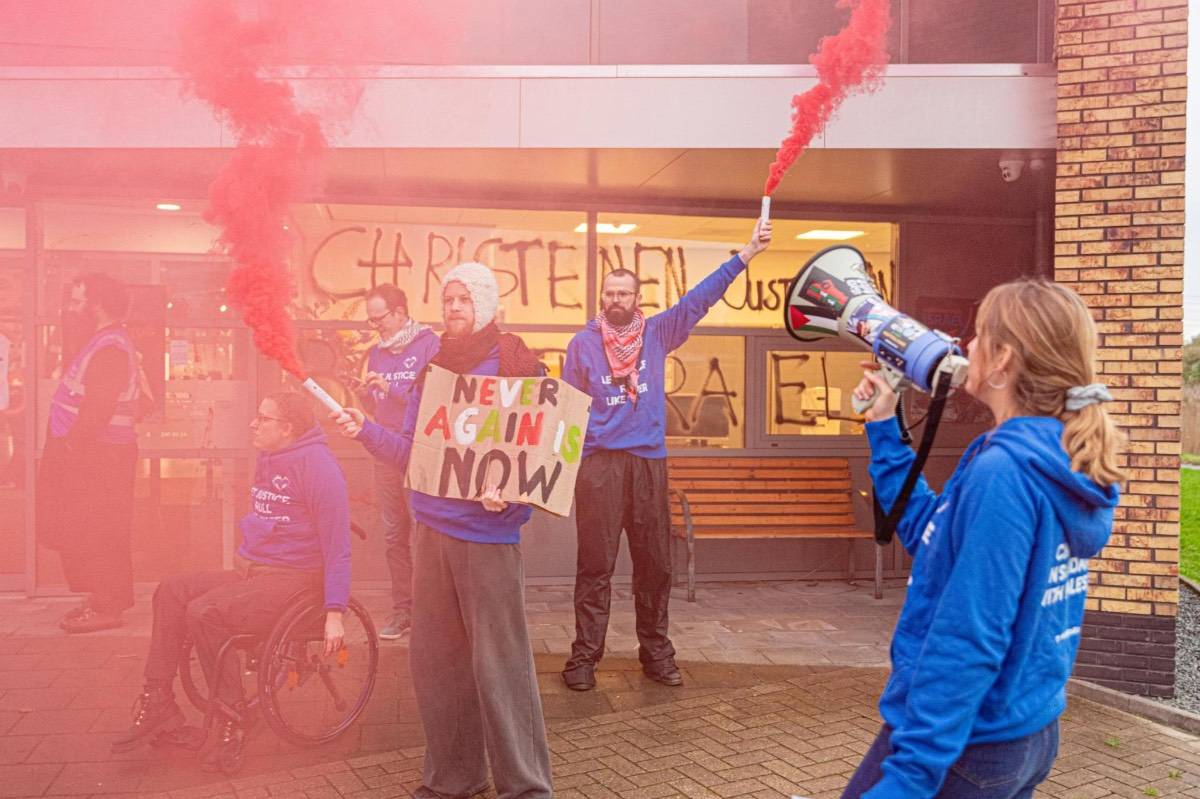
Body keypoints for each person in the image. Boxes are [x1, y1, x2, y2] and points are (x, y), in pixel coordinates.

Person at [840, 279, 1122, 799]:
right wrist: (884, 425)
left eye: (978, 335)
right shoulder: (1049, 455)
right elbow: (929, 537)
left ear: (1002, 361)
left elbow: (969, 637)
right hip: (1020, 732)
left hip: (965, 745)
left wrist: (909, 776)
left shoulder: (1006, 472)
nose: (964, 345)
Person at [337, 262, 552, 799]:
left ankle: (526, 787)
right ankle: (454, 779)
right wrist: (364, 430)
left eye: (463, 299)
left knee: (499, 668)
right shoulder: (433, 370)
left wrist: (515, 501)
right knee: (436, 665)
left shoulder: (517, 363)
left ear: (485, 302)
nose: (453, 308)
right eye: (447, 299)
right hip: (430, 532)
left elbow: (544, 454)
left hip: (487, 540)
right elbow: (413, 453)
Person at [560, 218, 773, 692]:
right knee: (595, 565)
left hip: (648, 464)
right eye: (610, 293)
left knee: (655, 564)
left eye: (624, 293)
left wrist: (747, 254)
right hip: (598, 467)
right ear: (602, 298)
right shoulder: (581, 345)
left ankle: (656, 653)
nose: (616, 300)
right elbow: (568, 413)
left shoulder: (658, 333)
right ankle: (583, 659)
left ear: (638, 299)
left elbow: (700, 297)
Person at [112, 392, 351, 774]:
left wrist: (335, 612)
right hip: (257, 572)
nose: (254, 424)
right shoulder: (272, 456)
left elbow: (339, 546)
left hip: (296, 581)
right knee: (171, 590)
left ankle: (232, 716)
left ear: (287, 429)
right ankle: (158, 701)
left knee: (206, 613)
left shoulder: (319, 468)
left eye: (263, 418)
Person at [37, 274, 140, 633]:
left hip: (99, 455)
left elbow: (98, 407)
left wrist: (70, 446)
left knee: (99, 530)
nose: (71, 308)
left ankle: (108, 605)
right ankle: (102, 598)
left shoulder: (109, 347)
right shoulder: (102, 341)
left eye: (78, 302)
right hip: (97, 453)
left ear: (96, 305)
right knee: (90, 529)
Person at [361, 283, 438, 640]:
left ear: (399, 311)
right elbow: (380, 406)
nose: (376, 325)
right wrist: (368, 394)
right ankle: (402, 610)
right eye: (372, 319)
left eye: (380, 318)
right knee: (394, 534)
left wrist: (390, 390)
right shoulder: (376, 352)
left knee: (424, 533)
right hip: (385, 451)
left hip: (420, 450)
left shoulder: (429, 345)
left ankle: (428, 611)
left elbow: (433, 404)